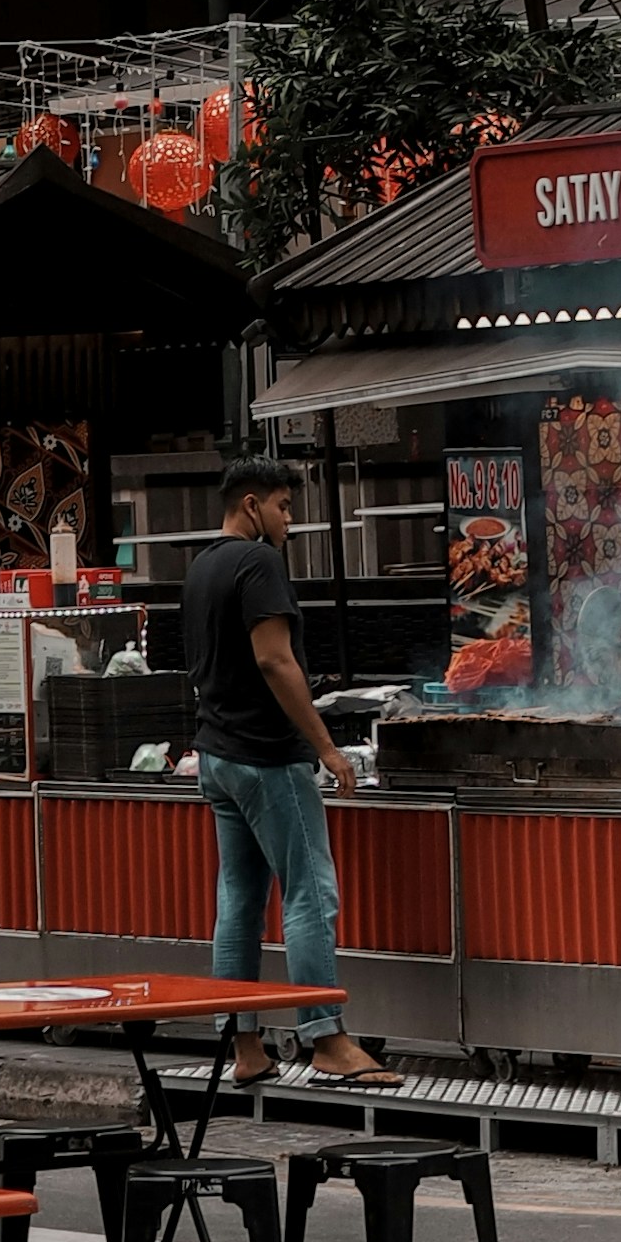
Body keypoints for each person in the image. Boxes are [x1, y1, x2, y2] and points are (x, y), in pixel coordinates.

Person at [183, 456, 399, 1091]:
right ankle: (326, 1038)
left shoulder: (200, 567)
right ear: (251, 506)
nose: (290, 520)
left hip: (217, 756)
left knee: (240, 903)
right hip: (267, 759)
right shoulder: (257, 563)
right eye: (283, 506)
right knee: (309, 893)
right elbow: (275, 659)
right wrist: (328, 748)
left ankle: (245, 1046)